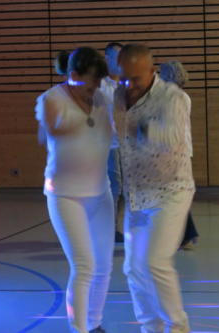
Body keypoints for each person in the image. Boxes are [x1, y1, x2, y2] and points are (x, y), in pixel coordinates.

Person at [114, 44, 194, 333]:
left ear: (152, 71)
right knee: (133, 269)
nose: (128, 85)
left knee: (156, 262)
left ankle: (178, 327)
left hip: (171, 191)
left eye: (135, 79)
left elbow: (173, 136)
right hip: (137, 194)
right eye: (123, 78)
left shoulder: (173, 97)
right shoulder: (118, 94)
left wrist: (135, 126)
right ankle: (151, 328)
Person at [35, 47, 113, 333]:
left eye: (99, 82)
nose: (94, 88)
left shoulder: (103, 99)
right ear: (73, 75)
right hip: (66, 195)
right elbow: (49, 132)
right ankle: (78, 329)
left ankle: (94, 324)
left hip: (100, 193)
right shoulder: (51, 99)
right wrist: (59, 128)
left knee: (104, 267)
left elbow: (115, 137)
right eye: (90, 81)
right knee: (84, 266)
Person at [159, 60, 199, 250]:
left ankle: (187, 234)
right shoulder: (182, 97)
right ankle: (183, 234)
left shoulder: (171, 98)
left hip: (173, 151)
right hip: (181, 150)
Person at [99, 42, 125, 242]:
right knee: (113, 187)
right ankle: (108, 228)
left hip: (128, 145)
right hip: (108, 145)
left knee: (124, 188)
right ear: (107, 58)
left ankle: (117, 226)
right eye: (115, 56)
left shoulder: (127, 84)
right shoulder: (99, 86)